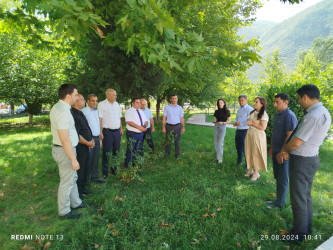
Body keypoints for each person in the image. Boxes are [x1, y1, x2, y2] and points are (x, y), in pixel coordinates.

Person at [281, 84, 331, 242]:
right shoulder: (322, 112)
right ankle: (306, 229)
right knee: (305, 196)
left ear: (305, 97)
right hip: (311, 158)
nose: (299, 102)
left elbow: (296, 143)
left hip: (302, 160)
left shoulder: (313, 115)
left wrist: (284, 150)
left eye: (299, 99)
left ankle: (298, 235)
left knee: (298, 197)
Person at [50, 84, 87, 219]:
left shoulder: (61, 107)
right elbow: (64, 139)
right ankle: (64, 211)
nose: (77, 97)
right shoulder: (63, 112)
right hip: (65, 150)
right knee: (67, 181)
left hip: (66, 149)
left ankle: (76, 202)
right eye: (76, 94)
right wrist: (73, 159)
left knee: (72, 178)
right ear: (68, 96)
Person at [267, 93, 297, 210]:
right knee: (278, 177)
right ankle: (278, 200)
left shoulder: (289, 116)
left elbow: (289, 136)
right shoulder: (277, 115)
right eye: (274, 102)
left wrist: (282, 152)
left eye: (277, 102)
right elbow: (275, 134)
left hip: (283, 153)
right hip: (275, 150)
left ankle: (280, 203)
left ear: (286, 102)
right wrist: (271, 148)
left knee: (283, 179)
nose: (275, 105)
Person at [71, 94, 95, 200]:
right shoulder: (74, 114)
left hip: (87, 145)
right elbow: (77, 134)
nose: (84, 101)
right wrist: (87, 143)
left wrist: (90, 140)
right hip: (80, 147)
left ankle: (84, 187)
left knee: (86, 167)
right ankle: (78, 193)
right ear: (76, 102)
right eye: (82, 99)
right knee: (80, 170)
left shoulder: (80, 112)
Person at [98, 89, 124, 178]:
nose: (116, 97)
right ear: (108, 95)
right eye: (114, 95)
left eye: (115, 95)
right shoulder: (101, 104)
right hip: (107, 132)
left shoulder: (117, 104)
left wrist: (121, 128)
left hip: (117, 131)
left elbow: (119, 117)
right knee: (106, 152)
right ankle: (105, 173)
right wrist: (100, 132)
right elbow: (100, 119)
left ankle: (114, 169)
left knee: (116, 151)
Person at [244, 97, 269, 181]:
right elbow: (249, 122)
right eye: (254, 101)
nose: (254, 103)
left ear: (262, 104)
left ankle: (256, 173)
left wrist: (252, 124)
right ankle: (249, 170)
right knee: (249, 151)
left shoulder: (263, 114)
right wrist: (248, 123)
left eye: (256, 102)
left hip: (258, 136)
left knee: (256, 153)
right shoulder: (252, 112)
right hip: (250, 134)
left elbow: (263, 127)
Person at [82, 94, 105, 184]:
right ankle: (85, 180)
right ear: (88, 101)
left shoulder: (95, 111)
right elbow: (83, 128)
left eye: (96, 101)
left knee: (95, 159)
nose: (95, 102)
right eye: (93, 100)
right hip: (89, 139)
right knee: (88, 160)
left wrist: (100, 137)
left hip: (97, 138)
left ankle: (95, 178)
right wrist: (88, 141)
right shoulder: (84, 112)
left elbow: (97, 124)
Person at [124, 98, 148, 168]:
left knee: (138, 150)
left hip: (140, 134)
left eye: (139, 102)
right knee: (130, 150)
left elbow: (146, 121)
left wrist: (144, 126)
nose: (139, 104)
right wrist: (139, 127)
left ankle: (134, 166)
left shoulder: (141, 111)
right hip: (132, 134)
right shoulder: (129, 111)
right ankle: (127, 167)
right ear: (133, 103)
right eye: (137, 102)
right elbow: (128, 122)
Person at [162, 94, 185, 159]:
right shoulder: (167, 107)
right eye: (173, 98)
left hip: (177, 126)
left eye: (175, 98)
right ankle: (167, 154)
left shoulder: (180, 108)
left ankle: (177, 155)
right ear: (170, 99)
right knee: (168, 141)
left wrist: (183, 127)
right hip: (169, 126)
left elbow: (181, 118)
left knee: (177, 141)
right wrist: (163, 127)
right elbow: (164, 118)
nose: (174, 100)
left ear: (177, 99)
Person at [233, 95, 253, 166]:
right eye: (239, 100)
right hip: (238, 130)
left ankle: (247, 164)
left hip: (245, 130)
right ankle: (239, 162)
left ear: (246, 100)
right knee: (238, 146)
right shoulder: (239, 109)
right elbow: (236, 118)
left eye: (242, 100)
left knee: (245, 148)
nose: (241, 102)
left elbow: (250, 120)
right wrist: (235, 122)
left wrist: (240, 123)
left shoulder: (249, 109)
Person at [213, 98, 231, 164]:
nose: (220, 104)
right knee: (215, 143)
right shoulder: (216, 111)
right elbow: (214, 120)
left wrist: (223, 123)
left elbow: (229, 121)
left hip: (223, 127)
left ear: (224, 103)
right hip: (216, 127)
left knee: (220, 143)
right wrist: (215, 122)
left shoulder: (227, 111)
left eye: (221, 102)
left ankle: (219, 159)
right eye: (219, 103)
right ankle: (218, 153)